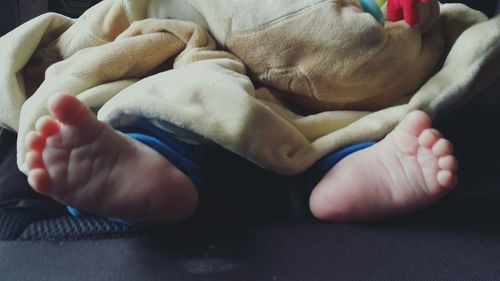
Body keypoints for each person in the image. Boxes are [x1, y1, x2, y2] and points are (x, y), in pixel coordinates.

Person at [13, 0, 482, 224]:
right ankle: (136, 168)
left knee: (345, 122)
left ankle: (359, 166)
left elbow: (411, 19)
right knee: (166, 101)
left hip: (310, 97)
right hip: (199, 63)